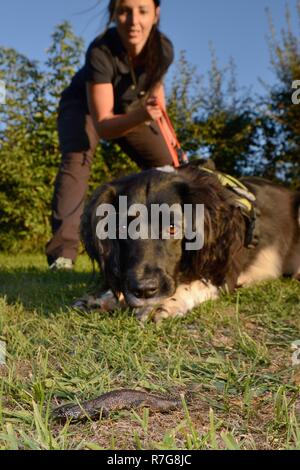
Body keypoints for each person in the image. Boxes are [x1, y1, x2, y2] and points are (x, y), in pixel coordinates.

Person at [46, 0, 175, 270]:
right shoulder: (101, 50)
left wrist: (171, 143)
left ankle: (165, 243)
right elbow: (104, 125)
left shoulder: (163, 49)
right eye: (124, 11)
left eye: (142, 10)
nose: (133, 20)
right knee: (77, 160)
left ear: (156, 14)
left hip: (129, 109)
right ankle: (63, 255)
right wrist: (142, 115)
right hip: (83, 109)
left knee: (168, 167)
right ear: (114, 13)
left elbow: (156, 100)